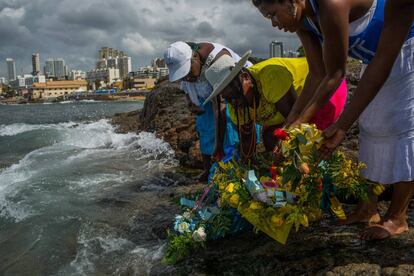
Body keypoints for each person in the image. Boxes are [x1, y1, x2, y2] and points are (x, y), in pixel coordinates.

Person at [252, 0, 414, 239]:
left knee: (400, 126)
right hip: (375, 59)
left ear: (292, 1)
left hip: (406, 49)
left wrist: (339, 127)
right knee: (370, 126)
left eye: (274, 14)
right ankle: (368, 208)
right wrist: (292, 123)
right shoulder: (302, 21)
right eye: (269, 19)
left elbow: (337, 73)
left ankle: (397, 216)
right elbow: (317, 73)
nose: (275, 24)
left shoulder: (331, 5)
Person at [203, 51, 347, 159]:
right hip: (291, 110)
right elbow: (246, 143)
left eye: (234, 96)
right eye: (227, 99)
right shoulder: (234, 104)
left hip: (323, 88)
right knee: (270, 138)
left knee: (309, 146)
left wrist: (283, 152)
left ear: (245, 79)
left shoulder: (270, 76)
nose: (233, 103)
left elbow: (295, 122)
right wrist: (246, 173)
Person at [164, 41, 252, 181]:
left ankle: (237, 170)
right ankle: (208, 170)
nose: (187, 78)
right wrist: (190, 103)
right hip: (207, 99)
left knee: (230, 132)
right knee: (205, 129)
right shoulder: (191, 65)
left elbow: (221, 107)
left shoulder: (219, 63)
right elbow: (185, 87)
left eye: (187, 72)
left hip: (233, 95)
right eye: (183, 75)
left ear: (195, 58)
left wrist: (218, 146)